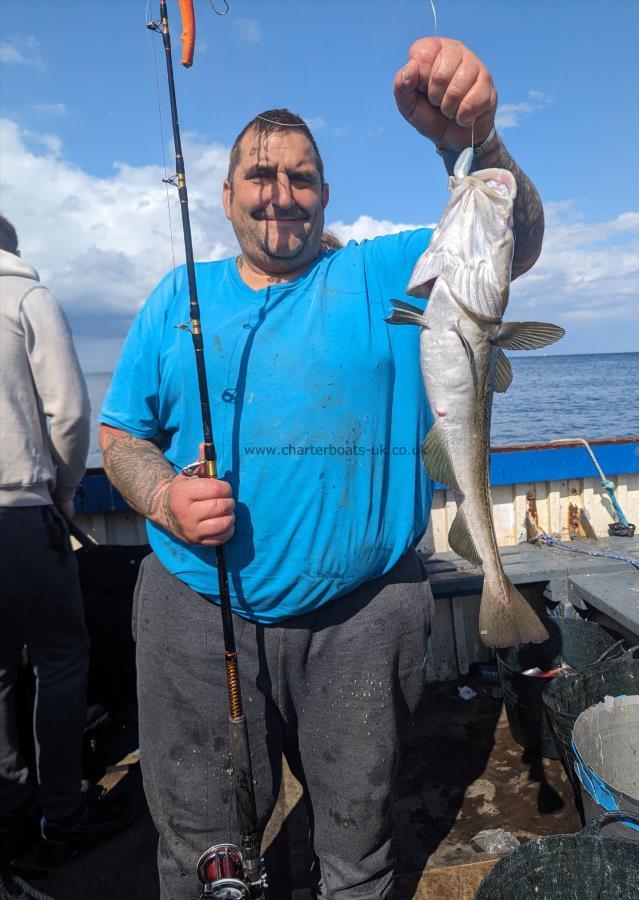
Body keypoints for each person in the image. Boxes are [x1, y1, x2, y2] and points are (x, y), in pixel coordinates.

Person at [99, 38, 544, 899]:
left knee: (358, 846)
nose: (282, 195)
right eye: (260, 177)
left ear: (325, 193)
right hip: (196, 611)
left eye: (302, 178)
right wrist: (162, 496)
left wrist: (481, 145)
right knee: (205, 856)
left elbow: (508, 244)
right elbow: (120, 435)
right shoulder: (176, 296)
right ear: (224, 195)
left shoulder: (385, 271)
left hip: (363, 617)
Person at [0, 215, 124, 866]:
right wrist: (66, 488)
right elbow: (70, 413)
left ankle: (11, 816)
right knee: (61, 659)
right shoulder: (27, 297)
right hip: (21, 514)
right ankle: (65, 815)